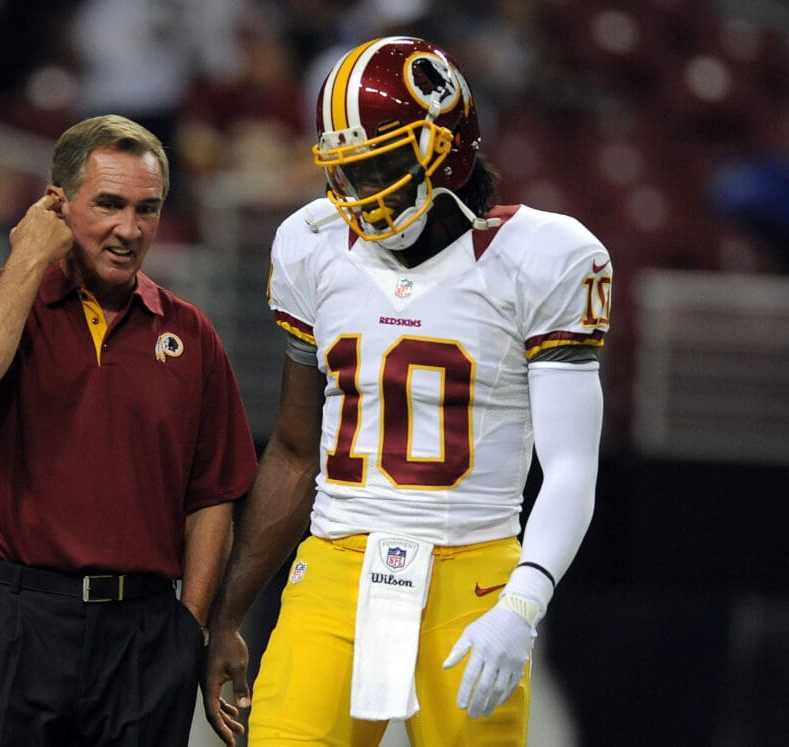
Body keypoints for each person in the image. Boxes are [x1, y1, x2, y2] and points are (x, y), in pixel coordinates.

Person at [202, 36, 613, 746]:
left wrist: (523, 601)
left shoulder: (544, 256)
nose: (363, 195)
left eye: (383, 165)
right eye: (350, 172)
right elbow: (296, 449)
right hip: (336, 561)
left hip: (474, 572)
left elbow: (572, 467)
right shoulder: (311, 243)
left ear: (446, 145)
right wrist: (227, 616)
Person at [0, 114, 257, 746]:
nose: (129, 230)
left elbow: (213, 496)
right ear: (57, 203)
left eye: (147, 209)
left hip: (145, 633)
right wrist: (29, 256)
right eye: (108, 204)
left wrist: (190, 627)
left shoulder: (191, 334)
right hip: (12, 619)